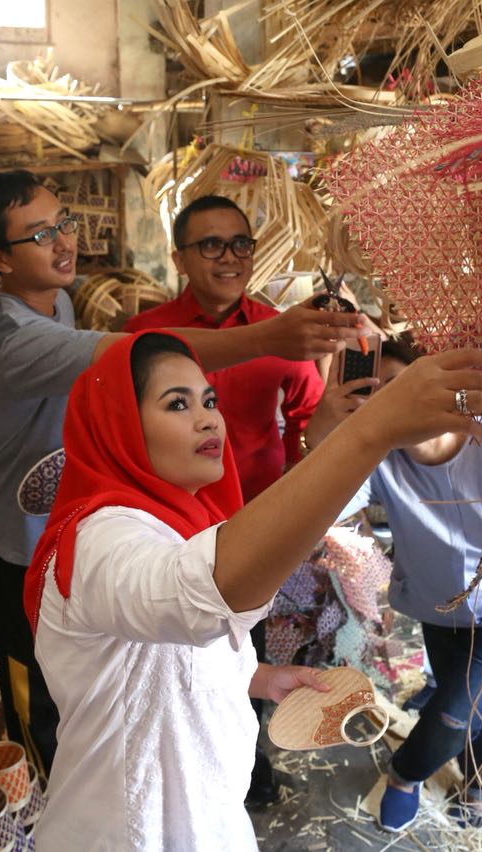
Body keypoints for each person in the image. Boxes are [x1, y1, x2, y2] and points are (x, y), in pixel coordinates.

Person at [26, 331, 482, 849]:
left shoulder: (180, 525)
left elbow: (159, 651)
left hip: (207, 819)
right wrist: (370, 430)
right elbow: (198, 598)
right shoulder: (98, 538)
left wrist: (257, 677)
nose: (208, 417)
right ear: (117, 426)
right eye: (177, 404)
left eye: (209, 400)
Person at [0, 170, 365, 775]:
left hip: (152, 523)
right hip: (24, 537)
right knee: (39, 684)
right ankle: (45, 785)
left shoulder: (58, 298)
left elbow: (304, 428)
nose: (62, 242)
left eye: (63, 224)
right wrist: (272, 338)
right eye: (39, 234)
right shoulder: (17, 338)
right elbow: (133, 359)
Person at [308, 335, 482, 831]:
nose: (390, 406)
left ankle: (405, 774)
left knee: (456, 708)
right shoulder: (381, 459)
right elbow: (325, 511)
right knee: (473, 705)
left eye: (400, 388)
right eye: (376, 395)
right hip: (436, 606)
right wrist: (325, 437)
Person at [124, 195, 325, 805]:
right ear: (181, 257)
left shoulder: (283, 333)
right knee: (169, 647)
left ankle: (246, 764)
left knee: (249, 645)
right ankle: (172, 760)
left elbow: (308, 420)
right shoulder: (146, 337)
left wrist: (312, 479)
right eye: (210, 245)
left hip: (255, 522)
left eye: (241, 243)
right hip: (168, 523)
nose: (229, 257)